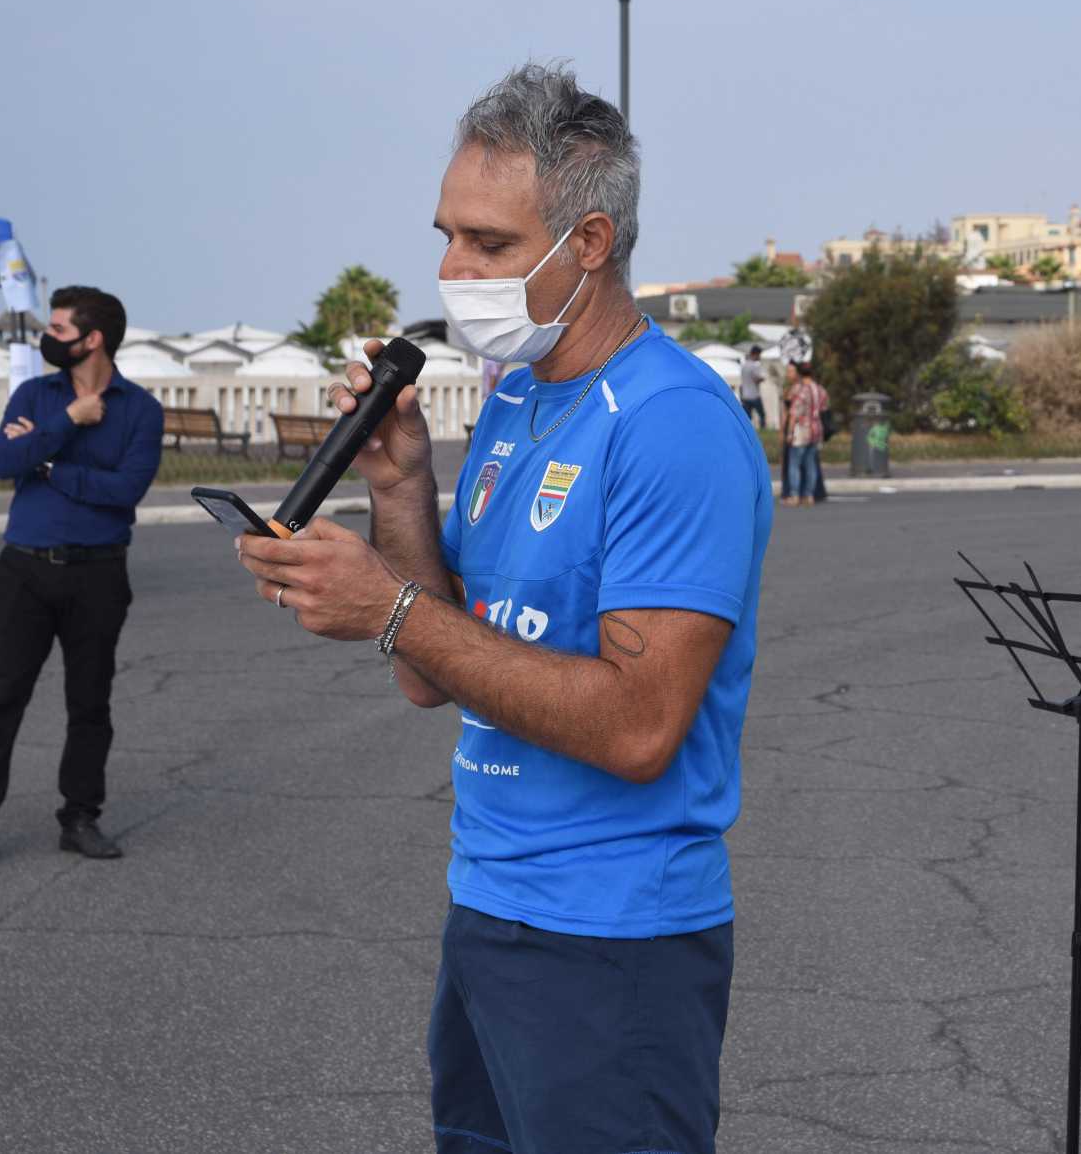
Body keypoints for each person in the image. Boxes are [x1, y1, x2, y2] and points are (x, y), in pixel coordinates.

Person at [234, 63, 771, 1154]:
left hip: (615, 935)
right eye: (445, 236)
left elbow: (637, 726)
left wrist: (388, 609)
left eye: (489, 244)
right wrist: (398, 490)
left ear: (588, 245)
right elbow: (436, 667)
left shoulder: (672, 423)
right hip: (488, 898)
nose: (449, 270)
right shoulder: (515, 398)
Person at [0, 287, 164, 873]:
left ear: (92, 339)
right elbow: (1, 463)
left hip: (98, 574)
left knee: (90, 702)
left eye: (60, 328)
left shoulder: (140, 409)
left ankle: (80, 817)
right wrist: (67, 421)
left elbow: (125, 493)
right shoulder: (36, 395)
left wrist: (47, 463)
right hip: (23, 571)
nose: (49, 336)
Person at [782, 361, 827, 507]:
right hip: (816, 428)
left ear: (800, 373)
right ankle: (809, 495)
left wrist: (788, 433)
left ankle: (794, 495)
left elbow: (794, 412)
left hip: (802, 429)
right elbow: (824, 407)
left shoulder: (801, 390)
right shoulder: (819, 389)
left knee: (794, 463)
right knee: (810, 463)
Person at [738, 343, 767, 428]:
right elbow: (756, 379)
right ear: (755, 354)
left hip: (745, 395)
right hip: (754, 395)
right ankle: (763, 429)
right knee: (761, 415)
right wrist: (762, 378)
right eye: (759, 355)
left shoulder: (744, 365)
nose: (760, 357)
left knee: (747, 418)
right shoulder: (754, 366)